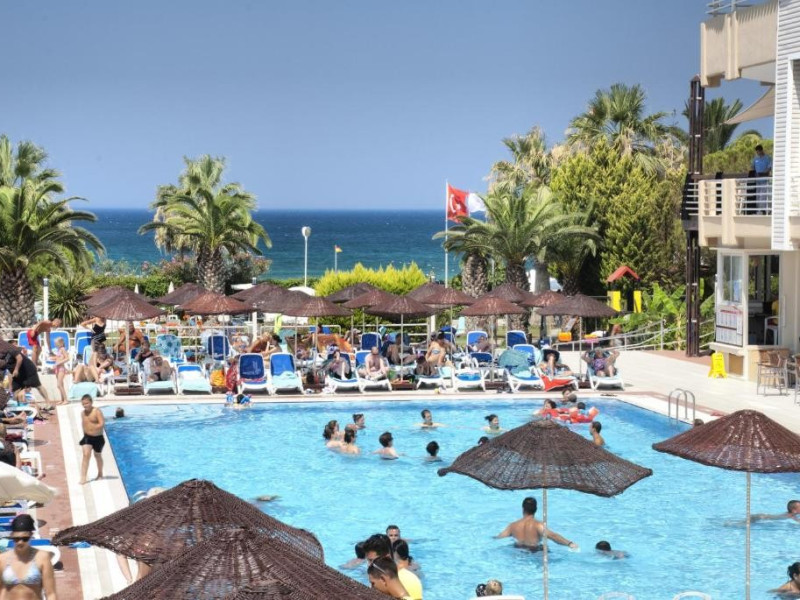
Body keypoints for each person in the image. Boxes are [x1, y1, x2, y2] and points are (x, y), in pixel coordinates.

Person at [0, 514, 57, 600]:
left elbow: (51, 594)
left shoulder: (42, 558)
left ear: (31, 535)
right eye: (16, 539)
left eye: (25, 538)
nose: (20, 542)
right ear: (12, 536)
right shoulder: (2, 559)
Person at [495, 497, 578, 551]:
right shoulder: (538, 525)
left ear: (523, 509)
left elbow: (499, 537)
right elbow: (553, 536)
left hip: (517, 550)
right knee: (545, 548)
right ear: (536, 509)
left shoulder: (512, 526)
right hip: (534, 551)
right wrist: (569, 543)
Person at [363, 535, 422, 600]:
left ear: (387, 557)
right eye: (367, 561)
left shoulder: (408, 581)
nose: (369, 565)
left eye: (372, 561)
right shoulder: (378, 577)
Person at [0, 339, 52, 408]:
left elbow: (19, 358)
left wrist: (16, 369)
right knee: (15, 392)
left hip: (27, 369)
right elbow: (4, 369)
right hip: (17, 373)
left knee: (37, 385)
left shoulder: (9, 348)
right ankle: (23, 407)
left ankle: (48, 403)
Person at [79, 394, 105, 484]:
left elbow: (102, 423)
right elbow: (84, 424)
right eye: (83, 404)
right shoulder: (82, 413)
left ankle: (100, 473)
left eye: (86, 403)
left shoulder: (97, 411)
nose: (85, 405)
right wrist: (85, 434)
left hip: (98, 437)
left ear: (91, 402)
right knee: (86, 455)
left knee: (97, 456)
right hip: (87, 437)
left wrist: (94, 428)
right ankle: (83, 477)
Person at [50, 337, 69, 405]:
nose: (56, 345)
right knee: (61, 385)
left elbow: (67, 358)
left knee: (59, 385)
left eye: (57, 343)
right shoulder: (59, 350)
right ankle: (62, 399)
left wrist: (58, 363)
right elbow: (59, 358)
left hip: (61, 368)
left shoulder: (63, 349)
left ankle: (66, 399)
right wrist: (54, 358)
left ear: (61, 343)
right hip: (57, 369)